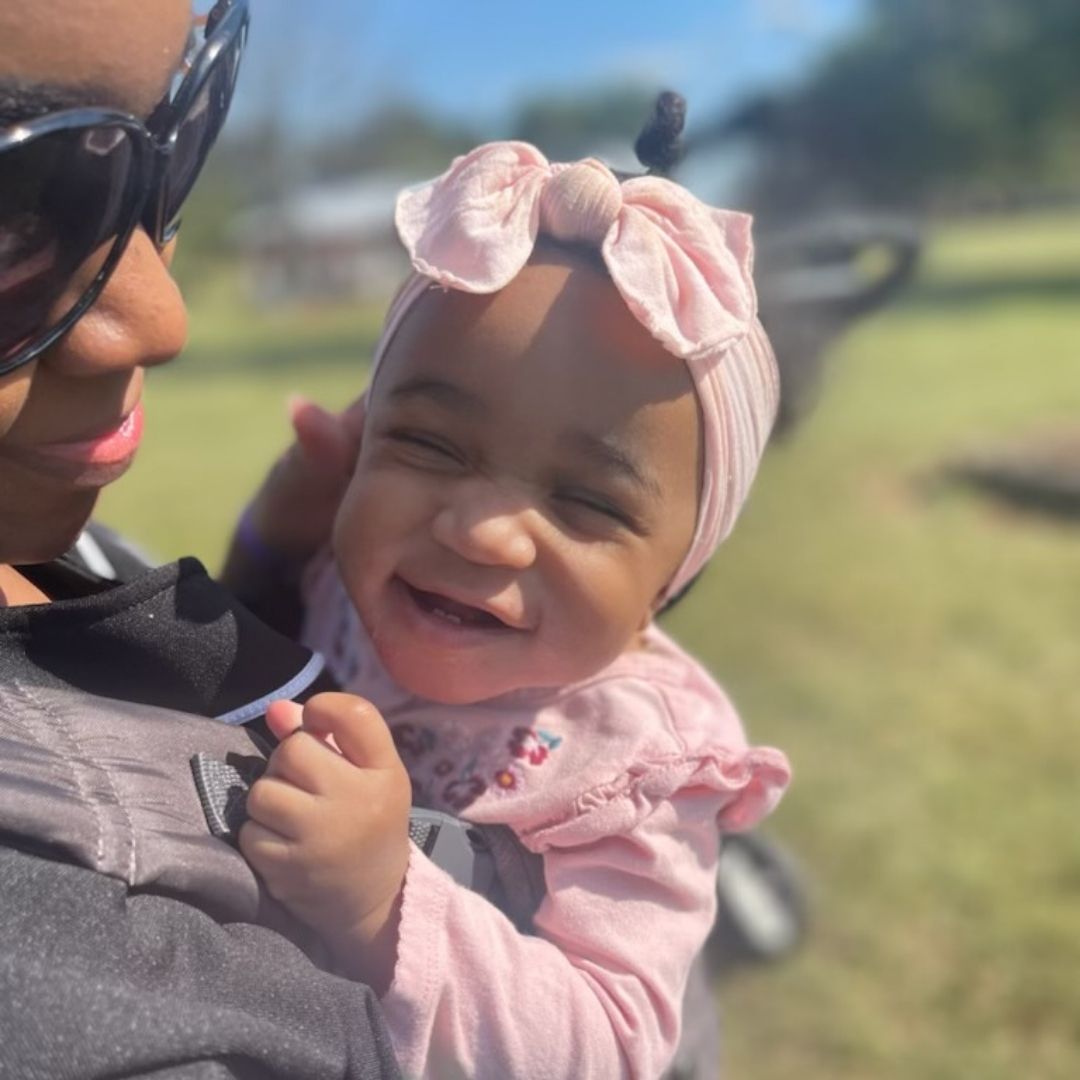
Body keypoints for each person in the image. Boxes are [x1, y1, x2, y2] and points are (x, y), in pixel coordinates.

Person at [232, 129, 793, 1079]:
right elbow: (248, 641)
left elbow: (614, 1047)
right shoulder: (342, 574)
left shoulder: (633, 768)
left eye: (587, 501)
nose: (483, 532)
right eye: (430, 445)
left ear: (671, 576)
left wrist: (385, 902)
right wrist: (276, 526)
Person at [0, 2, 402, 1076]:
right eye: (5, 213)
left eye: (168, 142)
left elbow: (183, 714)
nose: (161, 315)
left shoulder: (60, 549)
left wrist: (270, 559)